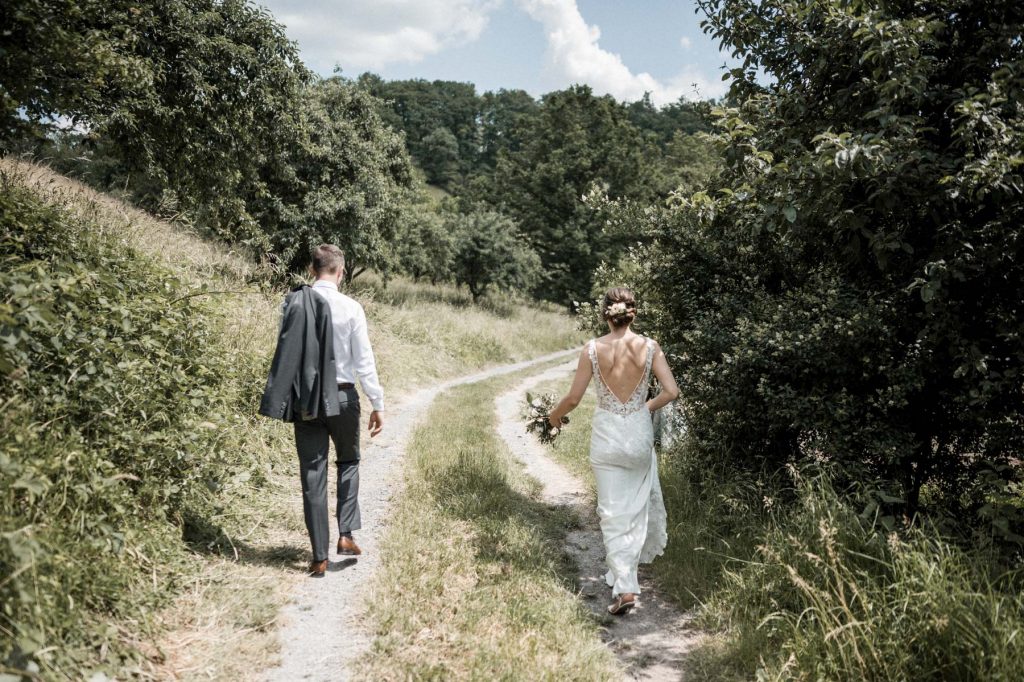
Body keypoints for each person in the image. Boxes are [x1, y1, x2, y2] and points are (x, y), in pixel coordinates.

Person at [547, 287, 679, 615]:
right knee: (633, 511)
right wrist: (644, 407)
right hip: (636, 434)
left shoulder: (592, 349)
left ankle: (625, 587)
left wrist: (552, 416)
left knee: (611, 512)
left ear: (606, 313)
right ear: (632, 312)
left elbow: (573, 399)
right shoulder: (650, 347)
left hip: (606, 438)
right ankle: (623, 579)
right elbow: (671, 391)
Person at [259, 244, 385, 577]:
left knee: (312, 475)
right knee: (349, 461)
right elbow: (364, 361)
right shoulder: (351, 308)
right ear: (341, 271)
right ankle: (345, 534)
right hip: (343, 398)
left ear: (312, 270)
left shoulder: (294, 303)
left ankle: (318, 556)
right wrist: (377, 403)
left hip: (307, 401)